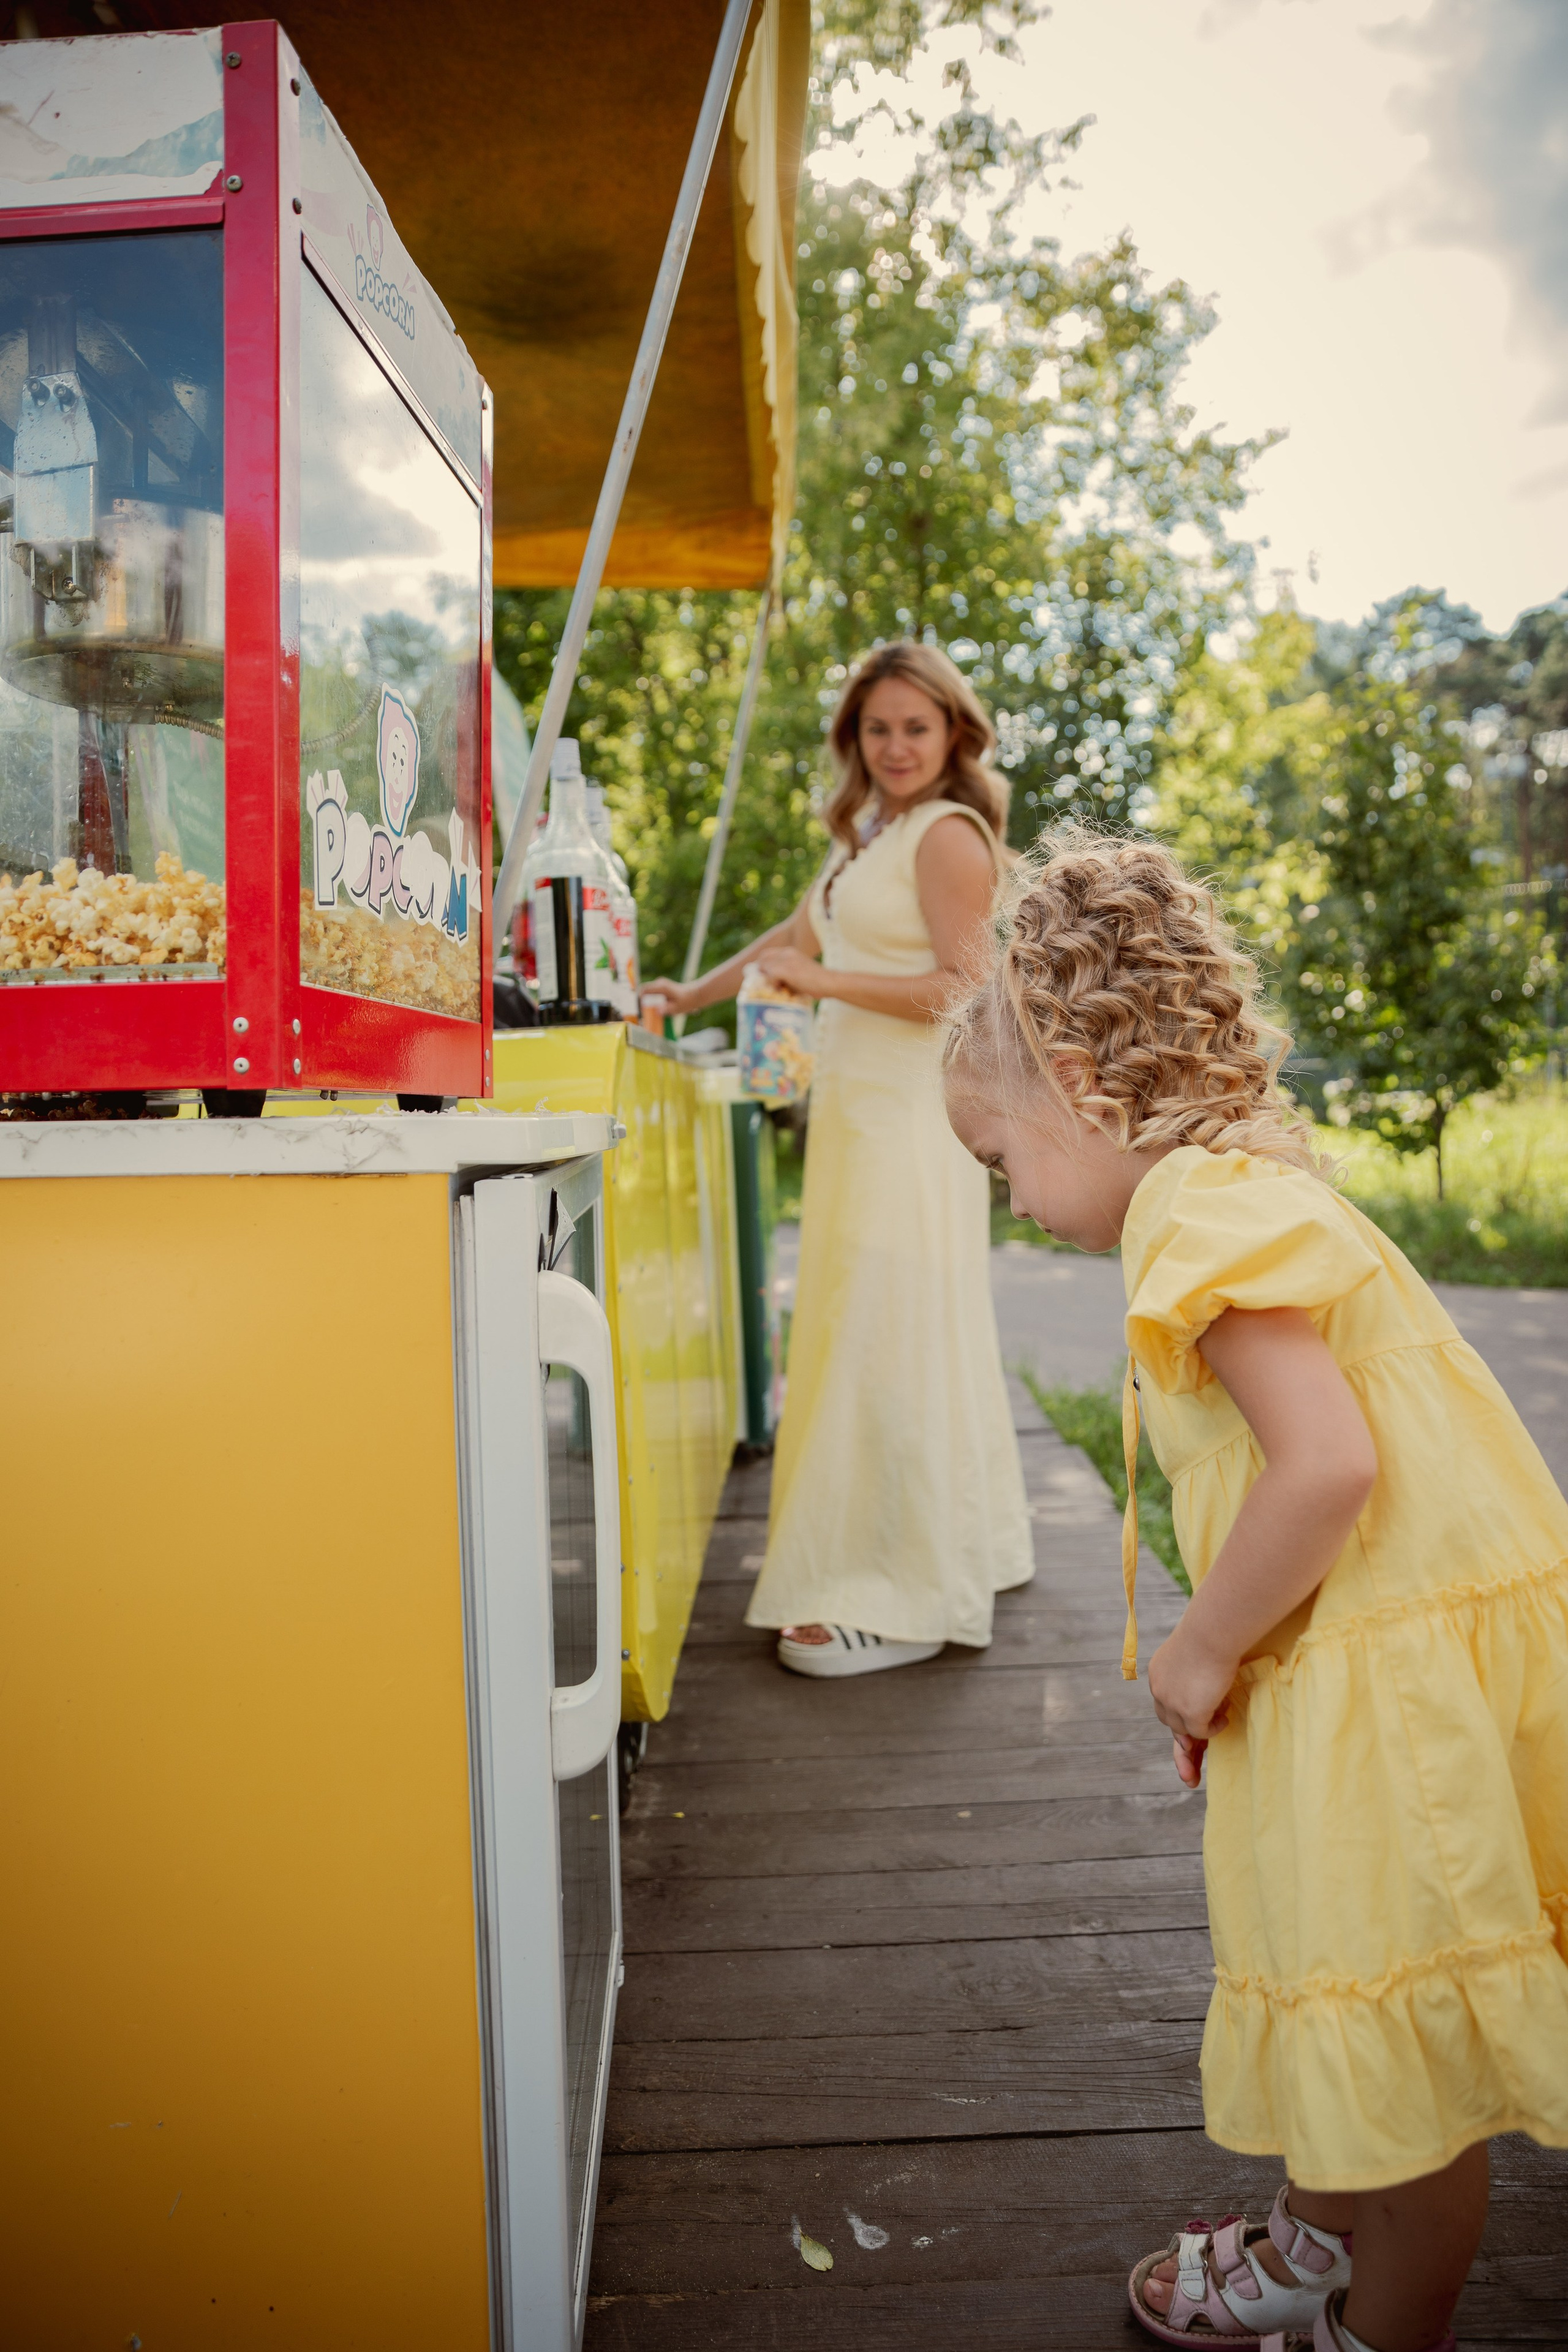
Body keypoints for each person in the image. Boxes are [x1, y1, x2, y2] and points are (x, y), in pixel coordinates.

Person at [942, 827, 1568, 2352]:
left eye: (998, 1159)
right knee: (1343, 1964)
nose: (1008, 1198)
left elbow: (1325, 1468)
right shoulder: (1235, 1190)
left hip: (1387, 1688)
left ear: (1081, 1098)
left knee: (1409, 2076)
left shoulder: (1201, 1218)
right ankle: (1310, 2239)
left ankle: (1376, 2326)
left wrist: (1197, 1654)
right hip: (1369, 1652)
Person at [643, 642, 1034, 1675]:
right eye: (878, 728)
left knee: (883, 1332)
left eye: (916, 725)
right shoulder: (873, 837)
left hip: (908, 1125)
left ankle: (897, 1595)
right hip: (857, 1125)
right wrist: (693, 995)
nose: (896, 745)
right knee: (886, 1325)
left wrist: (824, 986)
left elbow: (967, 987)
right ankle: (969, 1542)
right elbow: (795, 934)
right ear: (853, 739)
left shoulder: (948, 836)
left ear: (954, 732)